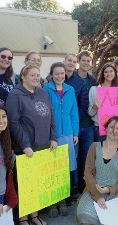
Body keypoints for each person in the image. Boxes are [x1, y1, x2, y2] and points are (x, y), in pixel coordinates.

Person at [6, 65, 57, 225]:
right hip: (26, 149)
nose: (36, 77)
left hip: (43, 146)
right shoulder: (15, 95)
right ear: (23, 77)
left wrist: (53, 137)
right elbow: (13, 122)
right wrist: (25, 145)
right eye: (32, 75)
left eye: (37, 75)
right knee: (24, 184)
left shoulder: (42, 92)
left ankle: (34, 215)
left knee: (37, 184)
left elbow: (51, 115)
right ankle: (23, 218)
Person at [77, 116, 118, 225]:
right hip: (94, 192)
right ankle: (99, 223)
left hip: (114, 196)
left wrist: (109, 190)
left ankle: (101, 224)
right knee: (84, 219)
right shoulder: (94, 147)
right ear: (105, 128)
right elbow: (88, 173)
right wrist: (98, 196)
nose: (114, 131)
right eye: (112, 127)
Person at [44, 62, 79, 217]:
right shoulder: (45, 90)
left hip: (68, 135)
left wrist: (75, 133)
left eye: (62, 73)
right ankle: (52, 202)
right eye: (56, 73)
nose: (59, 76)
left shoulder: (70, 90)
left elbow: (74, 113)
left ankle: (63, 200)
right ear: (52, 74)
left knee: (64, 170)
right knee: (52, 170)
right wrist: (50, 135)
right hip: (52, 136)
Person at [64, 52, 89, 203]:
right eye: (69, 60)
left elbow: (83, 104)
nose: (71, 63)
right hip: (58, 129)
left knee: (74, 158)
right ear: (64, 61)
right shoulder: (53, 78)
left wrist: (74, 123)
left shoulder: (80, 82)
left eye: (74, 61)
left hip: (74, 127)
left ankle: (73, 188)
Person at [76, 51, 96, 192]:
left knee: (87, 157)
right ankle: (74, 187)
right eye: (83, 60)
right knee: (74, 158)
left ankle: (84, 185)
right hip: (74, 125)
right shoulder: (70, 78)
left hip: (88, 125)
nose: (86, 63)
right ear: (79, 61)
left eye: (88, 61)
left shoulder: (93, 81)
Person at [88, 63, 118, 142]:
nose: (109, 74)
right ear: (102, 74)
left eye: (111, 71)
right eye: (106, 72)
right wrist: (95, 108)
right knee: (100, 153)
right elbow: (90, 113)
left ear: (115, 73)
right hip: (99, 127)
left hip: (116, 127)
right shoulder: (94, 89)